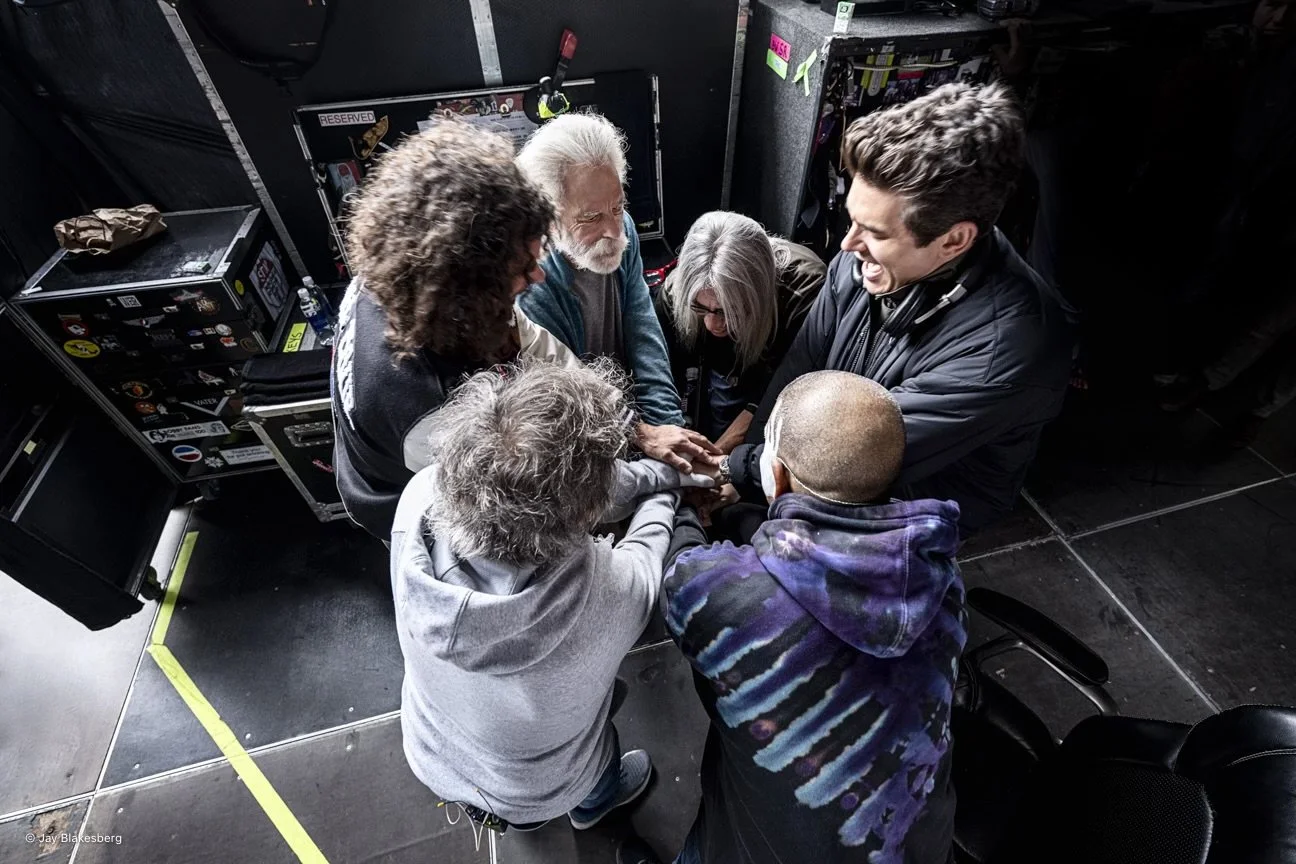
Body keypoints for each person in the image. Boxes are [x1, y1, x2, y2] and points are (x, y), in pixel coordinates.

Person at [619, 370, 965, 864]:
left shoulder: (719, 595)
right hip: (915, 846)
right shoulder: (939, 574)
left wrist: (685, 507)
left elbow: (679, 564)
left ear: (776, 475)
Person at [715, 82, 1073, 536]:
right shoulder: (866, 258)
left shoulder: (1010, 347)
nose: (847, 244)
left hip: (911, 505)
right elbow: (799, 370)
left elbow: (856, 452)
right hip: (826, 455)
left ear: (954, 240)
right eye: (852, 219)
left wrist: (734, 475)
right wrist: (744, 460)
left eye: (876, 232)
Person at [391, 358, 716, 831]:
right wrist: (673, 485)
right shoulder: (609, 597)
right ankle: (593, 803)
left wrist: (654, 475)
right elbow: (645, 549)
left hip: (434, 747)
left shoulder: (420, 500)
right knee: (591, 767)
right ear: (586, 514)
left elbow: (565, 489)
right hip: (541, 787)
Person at [331, 122, 577, 541]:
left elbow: (530, 339)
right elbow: (511, 503)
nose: (539, 276)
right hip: (413, 502)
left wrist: (627, 421)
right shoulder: (432, 410)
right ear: (469, 287)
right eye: (522, 269)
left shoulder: (392, 276)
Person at [516, 112, 720, 474]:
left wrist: (674, 435)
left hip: (633, 420)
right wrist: (648, 449)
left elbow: (644, 337)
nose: (614, 229)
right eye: (591, 218)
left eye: (618, 206)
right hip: (590, 439)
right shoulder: (534, 289)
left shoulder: (622, 230)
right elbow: (572, 401)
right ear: (549, 217)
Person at [655, 211, 827, 453]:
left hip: (778, 373)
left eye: (729, 311)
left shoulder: (805, 290)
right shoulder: (675, 290)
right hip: (721, 368)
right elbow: (662, 377)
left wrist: (718, 460)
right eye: (701, 308)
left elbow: (787, 390)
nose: (713, 324)